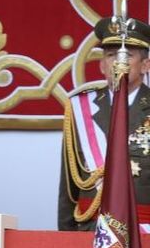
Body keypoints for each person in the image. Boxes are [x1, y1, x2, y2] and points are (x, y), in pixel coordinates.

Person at [58, 15, 150, 231]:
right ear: (101, 65)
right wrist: (65, 237)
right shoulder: (80, 107)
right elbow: (69, 187)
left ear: (145, 65)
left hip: (144, 234)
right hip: (91, 231)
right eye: (111, 55)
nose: (118, 62)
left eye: (127, 55)